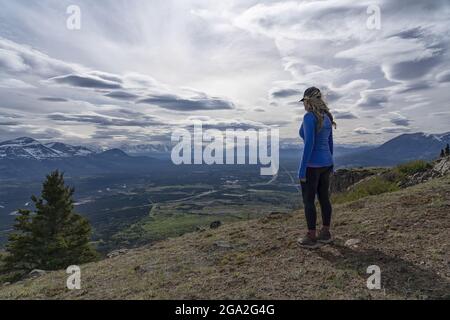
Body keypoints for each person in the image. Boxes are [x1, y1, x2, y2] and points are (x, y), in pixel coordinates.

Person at [297, 87, 336, 249]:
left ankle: (311, 236)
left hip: (312, 166)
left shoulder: (309, 117)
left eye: (304, 102)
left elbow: (309, 145)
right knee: (324, 198)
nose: (303, 105)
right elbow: (330, 142)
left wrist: (301, 169)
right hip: (326, 164)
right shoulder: (326, 117)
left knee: (308, 201)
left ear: (308, 101)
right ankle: (325, 233)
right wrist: (331, 162)